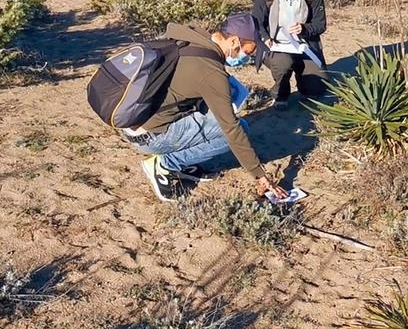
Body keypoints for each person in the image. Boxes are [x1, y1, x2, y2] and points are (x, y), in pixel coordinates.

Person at [121, 13, 289, 202]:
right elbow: (231, 129)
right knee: (240, 128)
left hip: (131, 120)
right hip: (149, 137)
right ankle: (165, 164)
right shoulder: (210, 72)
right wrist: (259, 174)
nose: (247, 57)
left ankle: (183, 164)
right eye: (249, 52)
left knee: (215, 115)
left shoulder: (192, 39)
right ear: (234, 41)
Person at [252, 0, 328, 111]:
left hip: (304, 45)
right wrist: (265, 38)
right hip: (276, 45)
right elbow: (256, 22)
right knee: (283, 63)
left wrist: (304, 28)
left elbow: (320, 24)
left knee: (317, 90)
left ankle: (304, 81)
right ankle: (281, 92)